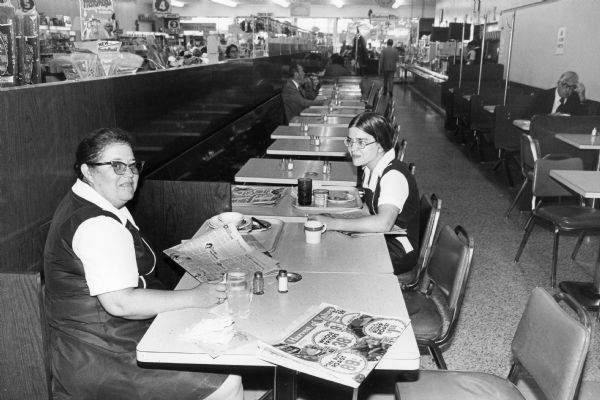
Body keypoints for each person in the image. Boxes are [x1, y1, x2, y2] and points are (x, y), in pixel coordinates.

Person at [43, 128, 243, 399]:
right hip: (103, 356)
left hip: (94, 345)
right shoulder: (96, 224)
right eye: (116, 166)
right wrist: (195, 296)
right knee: (226, 381)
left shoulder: (95, 203)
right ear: (87, 171)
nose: (129, 174)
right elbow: (121, 303)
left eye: (133, 166)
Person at [312, 112, 420, 280]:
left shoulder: (393, 175)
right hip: (381, 239)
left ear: (380, 145)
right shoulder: (370, 167)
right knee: (330, 248)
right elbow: (367, 210)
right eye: (350, 140)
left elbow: (384, 223)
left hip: (397, 249)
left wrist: (333, 223)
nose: (353, 148)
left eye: (361, 142)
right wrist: (328, 216)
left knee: (333, 260)